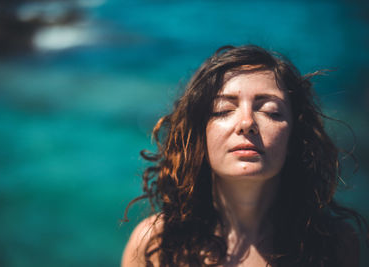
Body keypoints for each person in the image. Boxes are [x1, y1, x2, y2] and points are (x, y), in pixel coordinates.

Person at [121, 45, 368, 267]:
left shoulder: (335, 245)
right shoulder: (156, 245)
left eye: (271, 111)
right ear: (199, 136)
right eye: (223, 110)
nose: (247, 122)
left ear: (295, 137)